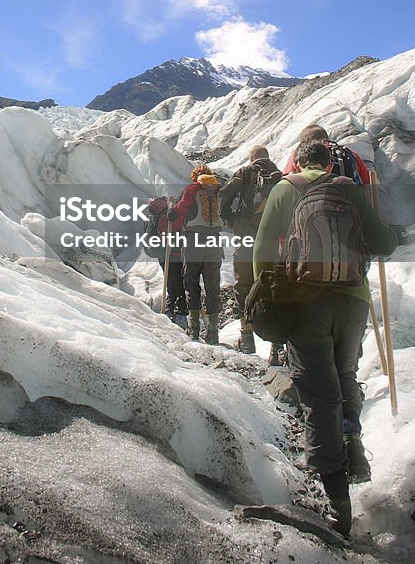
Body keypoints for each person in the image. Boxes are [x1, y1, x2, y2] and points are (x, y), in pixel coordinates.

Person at [253, 140, 397, 538]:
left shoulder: (286, 189)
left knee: (318, 395)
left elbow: (263, 248)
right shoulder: (349, 189)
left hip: (306, 303)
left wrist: (269, 290)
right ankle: (352, 437)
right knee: (345, 374)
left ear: (297, 162)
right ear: (329, 162)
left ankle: (338, 505)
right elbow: (383, 243)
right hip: (352, 301)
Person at [219, 145, 282, 357]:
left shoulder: (244, 173)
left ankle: (247, 340)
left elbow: (224, 193)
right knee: (273, 286)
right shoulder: (279, 176)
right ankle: (277, 346)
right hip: (271, 239)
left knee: (243, 285)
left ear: (251, 158)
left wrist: (230, 221)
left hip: (245, 235)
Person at [168, 164, 224, 344]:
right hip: (214, 241)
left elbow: (180, 209)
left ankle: (194, 330)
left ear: (195, 177)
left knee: (191, 283)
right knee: (212, 286)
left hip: (193, 242)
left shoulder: (193, 189)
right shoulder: (218, 190)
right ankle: (213, 332)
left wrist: (171, 213)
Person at [282, 124, 370, 185]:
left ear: (304, 144)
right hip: (350, 205)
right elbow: (367, 181)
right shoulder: (347, 153)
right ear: (327, 138)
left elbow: (287, 179)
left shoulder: (299, 154)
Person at [147, 197, 187, 325]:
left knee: (169, 280)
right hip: (175, 251)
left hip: (162, 251)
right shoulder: (173, 213)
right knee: (179, 282)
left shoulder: (157, 212)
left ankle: (169, 308)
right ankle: (181, 311)